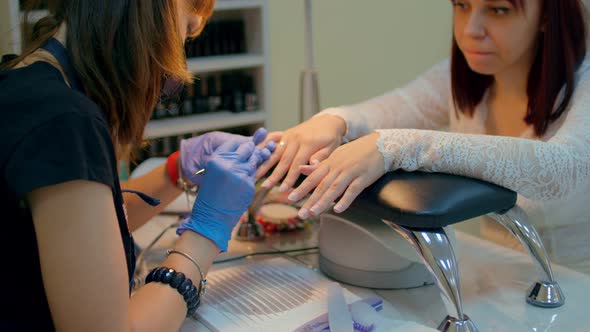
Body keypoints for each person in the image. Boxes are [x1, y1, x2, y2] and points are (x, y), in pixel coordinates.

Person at [257, 0, 590, 274]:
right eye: (461, 5)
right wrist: (332, 120)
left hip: (574, 287)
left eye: (498, 10)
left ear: (547, 14)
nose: (470, 30)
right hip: (495, 276)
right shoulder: (465, 76)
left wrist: (397, 147)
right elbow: (391, 108)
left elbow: (560, 169)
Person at [0, 0, 275, 330]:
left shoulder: (27, 82)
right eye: (185, 32)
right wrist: (207, 230)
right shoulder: (63, 120)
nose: (177, 66)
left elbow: (85, 233)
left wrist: (176, 171)